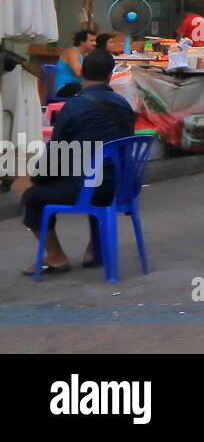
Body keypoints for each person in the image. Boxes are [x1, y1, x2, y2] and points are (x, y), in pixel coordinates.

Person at [22, 49, 135, 274]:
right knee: (96, 177)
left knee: (33, 196)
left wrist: (38, 178)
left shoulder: (74, 107)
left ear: (82, 72)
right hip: (123, 187)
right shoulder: (124, 105)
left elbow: (55, 152)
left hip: (89, 187)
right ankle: (94, 250)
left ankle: (55, 256)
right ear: (110, 74)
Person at [54, 30, 95, 98]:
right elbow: (78, 72)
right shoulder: (72, 52)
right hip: (64, 87)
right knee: (94, 92)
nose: (95, 43)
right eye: (92, 40)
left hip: (77, 86)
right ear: (81, 42)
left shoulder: (86, 55)